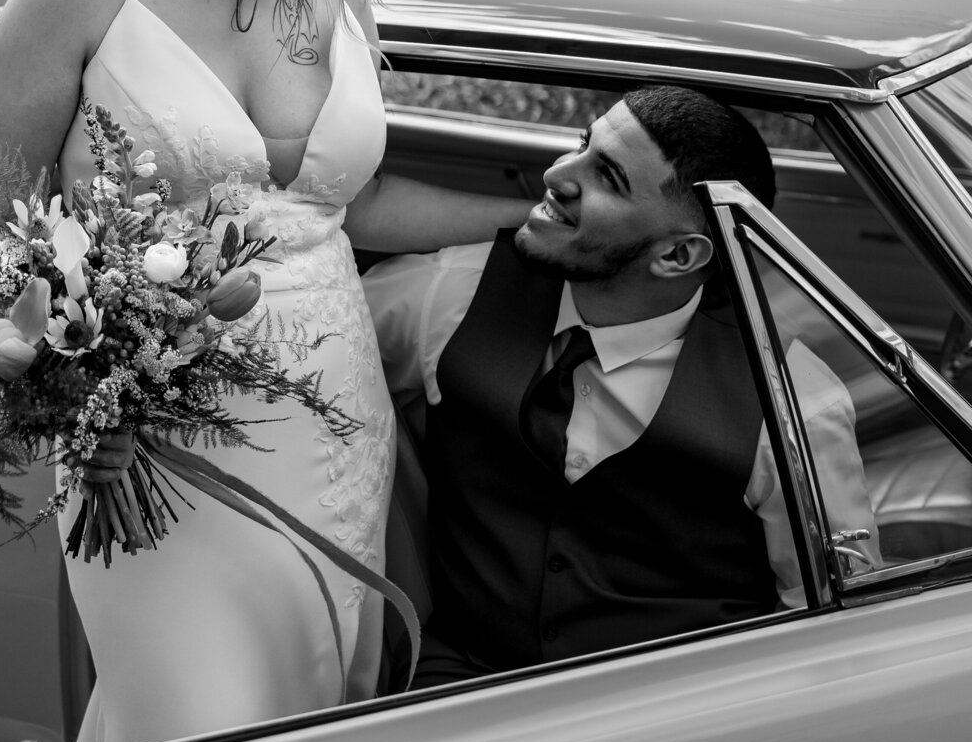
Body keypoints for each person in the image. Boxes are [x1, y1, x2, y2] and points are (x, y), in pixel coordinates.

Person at [0, 0, 530, 742]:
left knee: (299, 724)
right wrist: (78, 396)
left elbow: (346, 206)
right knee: (187, 730)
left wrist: (520, 211)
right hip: (149, 440)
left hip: (333, 420)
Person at [365, 85, 879, 686]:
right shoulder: (450, 292)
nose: (556, 173)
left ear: (679, 255)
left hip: (675, 726)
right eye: (582, 144)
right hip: (455, 683)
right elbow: (313, 361)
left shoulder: (794, 406)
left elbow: (829, 622)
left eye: (606, 176)